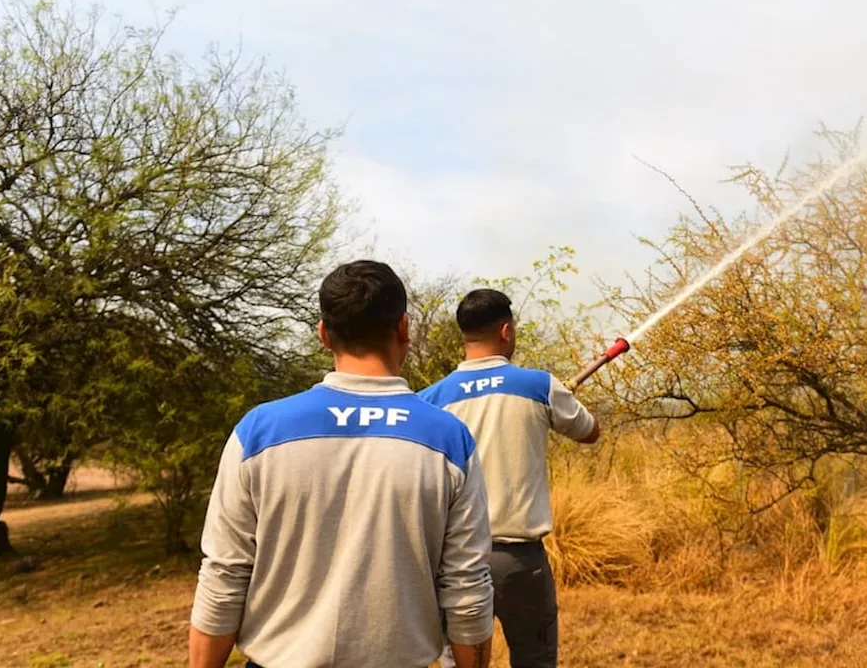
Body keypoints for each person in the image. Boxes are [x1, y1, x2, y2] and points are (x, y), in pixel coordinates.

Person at [188, 260, 495, 668]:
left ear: (323, 334)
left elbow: (224, 575)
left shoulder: (258, 432)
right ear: (403, 328)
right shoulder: (449, 440)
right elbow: (467, 589)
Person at [420, 289, 600, 668]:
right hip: (520, 562)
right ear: (506, 330)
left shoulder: (430, 400)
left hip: (453, 561)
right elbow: (590, 431)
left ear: (464, 334)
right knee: (534, 659)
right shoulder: (539, 386)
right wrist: (559, 399)